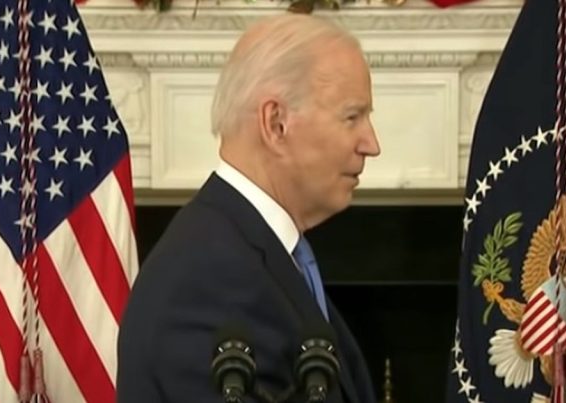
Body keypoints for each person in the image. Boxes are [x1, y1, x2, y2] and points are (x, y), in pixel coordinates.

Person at [117, 12, 381, 403]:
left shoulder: (251, 251)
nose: (372, 144)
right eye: (352, 117)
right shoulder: (207, 279)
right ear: (276, 124)